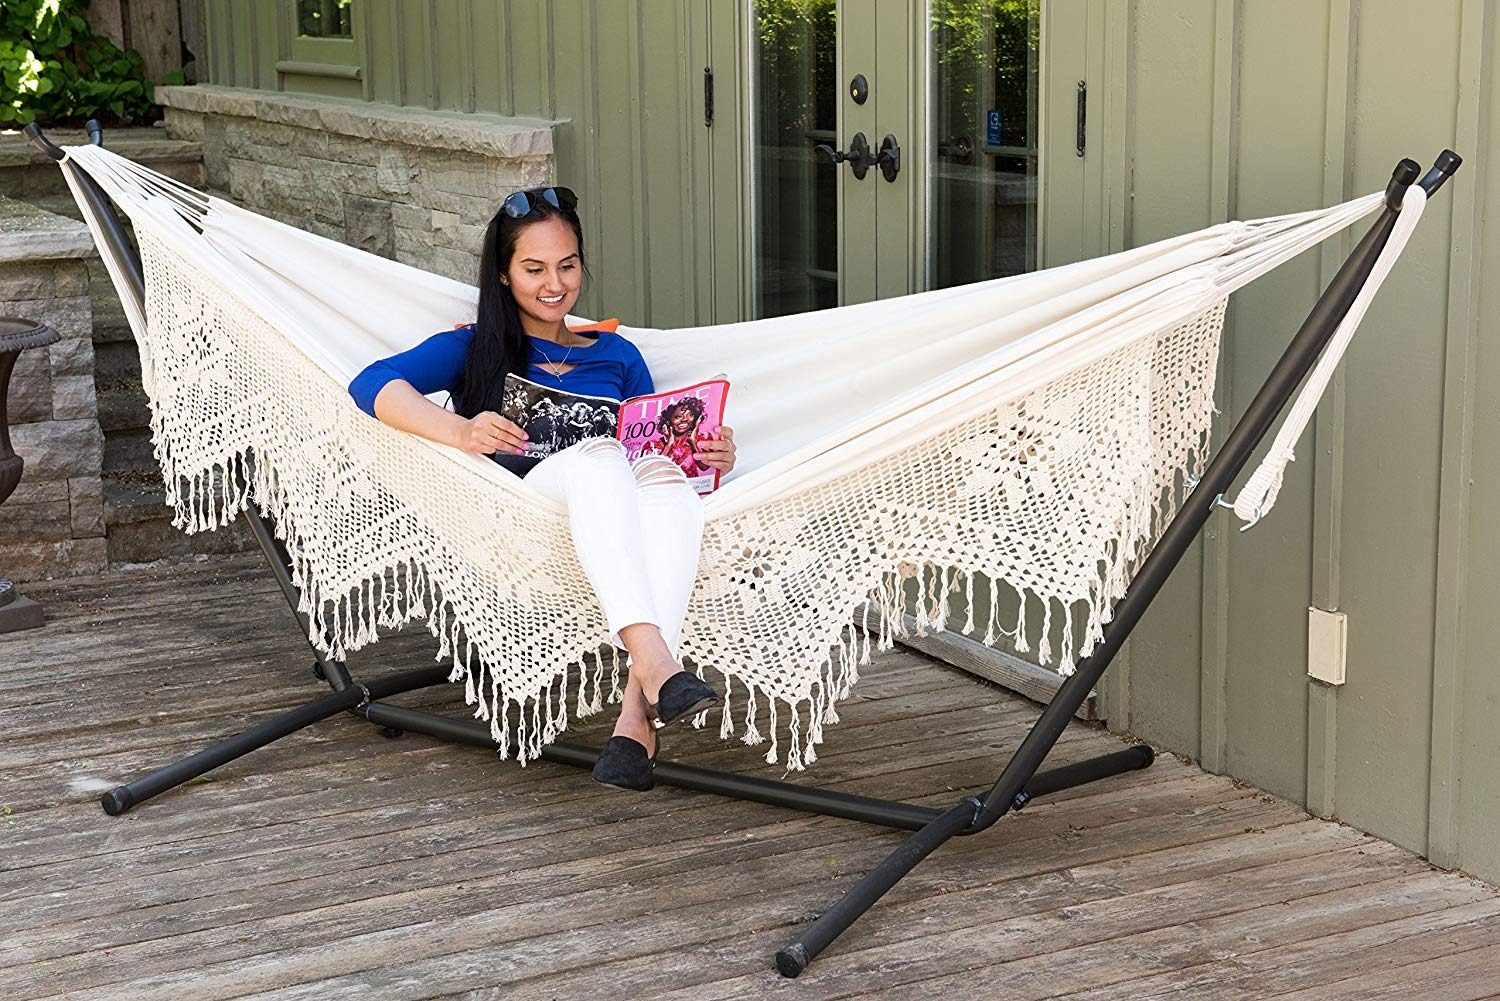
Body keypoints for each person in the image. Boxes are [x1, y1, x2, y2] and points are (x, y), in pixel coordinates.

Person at [346, 185, 737, 791]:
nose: (554, 284)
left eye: (567, 265)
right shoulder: (474, 345)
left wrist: (709, 455)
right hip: (529, 501)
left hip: (610, 509)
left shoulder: (618, 354)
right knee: (599, 457)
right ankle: (656, 662)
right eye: (534, 269)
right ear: (503, 274)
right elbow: (371, 384)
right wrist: (462, 431)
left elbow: (651, 443)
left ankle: (636, 715)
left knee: (664, 481)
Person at [641, 396, 716, 479]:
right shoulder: (652, 445)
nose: (685, 419)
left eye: (690, 415)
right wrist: (669, 445)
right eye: (678, 416)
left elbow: (704, 467)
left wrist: (693, 442)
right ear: (668, 421)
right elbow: (648, 474)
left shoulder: (702, 438)